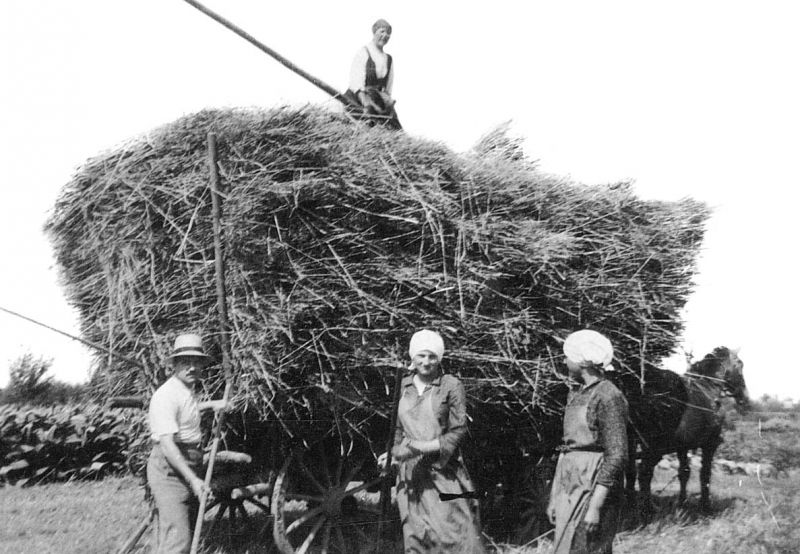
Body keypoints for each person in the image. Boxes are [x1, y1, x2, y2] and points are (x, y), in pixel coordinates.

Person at [378, 329, 485, 553]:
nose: (426, 362)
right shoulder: (403, 386)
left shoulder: (450, 385)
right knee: (416, 536)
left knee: (452, 534)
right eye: (421, 356)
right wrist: (393, 454)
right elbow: (397, 429)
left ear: (439, 358)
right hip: (410, 475)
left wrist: (420, 448)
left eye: (432, 356)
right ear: (412, 357)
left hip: (441, 470)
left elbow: (458, 431)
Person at [547, 330, 629, 554]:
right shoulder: (575, 394)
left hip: (593, 485)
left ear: (582, 360)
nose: (564, 361)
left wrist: (595, 506)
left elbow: (617, 454)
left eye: (568, 356)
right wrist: (555, 497)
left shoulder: (609, 396)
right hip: (570, 484)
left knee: (587, 548)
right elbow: (567, 448)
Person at [147, 333, 228, 554]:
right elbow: (168, 445)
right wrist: (193, 480)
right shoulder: (165, 396)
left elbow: (187, 412)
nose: (192, 367)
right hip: (170, 469)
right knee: (180, 541)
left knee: (178, 534)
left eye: (197, 362)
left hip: (190, 462)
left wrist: (211, 404)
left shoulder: (186, 390)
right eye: (185, 362)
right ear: (174, 364)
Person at [344, 18, 402, 129]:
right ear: (374, 32)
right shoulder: (364, 52)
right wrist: (366, 103)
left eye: (388, 33)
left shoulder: (389, 59)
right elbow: (356, 82)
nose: (385, 36)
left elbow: (388, 88)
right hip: (360, 98)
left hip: (379, 101)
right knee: (364, 125)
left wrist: (387, 104)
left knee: (395, 130)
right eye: (382, 31)